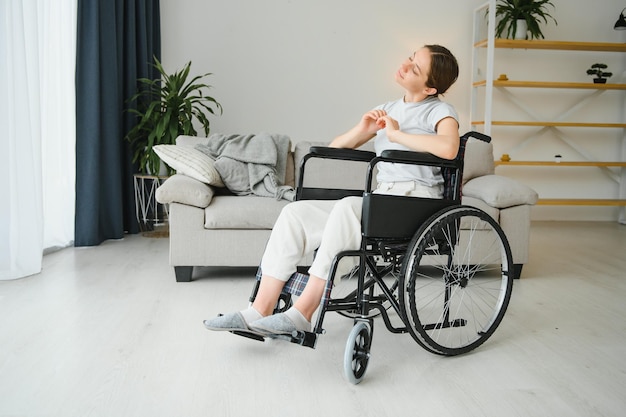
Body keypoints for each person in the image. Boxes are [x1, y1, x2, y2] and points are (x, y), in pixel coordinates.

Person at [204, 44, 460, 337]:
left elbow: (450, 149)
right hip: (384, 198)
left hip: (415, 202)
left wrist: (396, 135)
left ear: (430, 88)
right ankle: (259, 310)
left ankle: (302, 313)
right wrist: (363, 127)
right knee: (295, 213)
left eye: (415, 68)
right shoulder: (389, 108)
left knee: (348, 207)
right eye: (411, 58)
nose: (405, 64)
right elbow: (337, 148)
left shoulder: (439, 110)